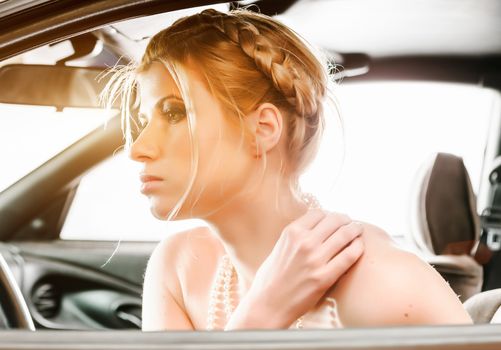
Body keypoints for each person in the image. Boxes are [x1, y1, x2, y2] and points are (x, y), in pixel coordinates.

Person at [102, 8, 473, 330]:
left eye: (174, 112)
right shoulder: (177, 268)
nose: (138, 148)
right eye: (144, 119)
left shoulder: (387, 282)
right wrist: (262, 313)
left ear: (263, 129)